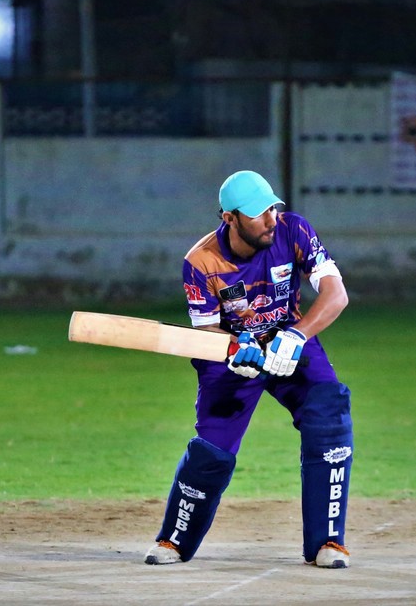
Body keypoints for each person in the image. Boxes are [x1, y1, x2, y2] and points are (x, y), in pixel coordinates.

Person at [144, 170, 353, 569]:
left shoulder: (293, 230)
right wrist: (234, 351)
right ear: (230, 218)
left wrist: (297, 334)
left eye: (272, 208)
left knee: (329, 412)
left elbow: (335, 293)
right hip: (233, 353)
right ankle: (174, 539)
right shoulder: (201, 261)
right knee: (212, 450)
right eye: (259, 214)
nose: (271, 219)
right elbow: (206, 329)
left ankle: (328, 542)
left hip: (288, 341)